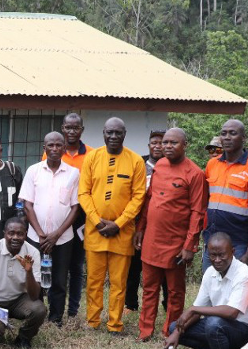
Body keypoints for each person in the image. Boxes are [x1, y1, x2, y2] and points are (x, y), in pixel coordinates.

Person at [133, 128, 207, 342]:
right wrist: (140, 229)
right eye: (165, 142)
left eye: (173, 143)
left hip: (176, 243)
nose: (167, 146)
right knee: (149, 288)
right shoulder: (159, 166)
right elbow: (149, 199)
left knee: (175, 292)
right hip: (152, 239)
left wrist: (189, 246)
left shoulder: (195, 173)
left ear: (185, 145)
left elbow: (198, 212)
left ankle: (171, 330)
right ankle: (145, 331)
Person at [78, 118, 147, 334]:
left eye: (118, 133)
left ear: (124, 134)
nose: (114, 137)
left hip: (122, 232)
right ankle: (93, 321)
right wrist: (97, 221)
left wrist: (118, 223)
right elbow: (83, 193)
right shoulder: (92, 158)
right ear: (103, 133)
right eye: (110, 132)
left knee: (118, 282)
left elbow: (138, 197)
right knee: (94, 281)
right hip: (95, 231)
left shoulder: (136, 161)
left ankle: (115, 324)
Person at [162, 232, 248, 349]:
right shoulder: (210, 272)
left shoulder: (244, 274)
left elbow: (232, 312)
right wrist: (176, 332)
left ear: (232, 252)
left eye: (222, 255)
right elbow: (197, 310)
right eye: (213, 255)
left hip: (245, 333)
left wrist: (193, 309)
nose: (217, 260)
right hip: (220, 328)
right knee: (175, 327)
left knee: (214, 324)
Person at [19, 132, 80, 326]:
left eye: (58, 145)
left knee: (59, 280)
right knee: (36, 277)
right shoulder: (33, 171)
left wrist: (56, 235)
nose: (54, 149)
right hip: (35, 237)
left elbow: (75, 208)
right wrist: (41, 234)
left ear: (64, 148)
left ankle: (55, 319)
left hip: (63, 238)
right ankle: (36, 314)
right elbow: (27, 205)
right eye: (50, 145)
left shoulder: (73, 173)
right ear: (44, 148)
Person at [44, 113, 93, 322]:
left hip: (81, 217)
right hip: (57, 218)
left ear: (82, 130)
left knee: (76, 265)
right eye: (68, 127)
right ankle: (52, 307)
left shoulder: (91, 154)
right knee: (54, 265)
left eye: (76, 128)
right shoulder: (52, 151)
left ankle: (72, 310)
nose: (71, 131)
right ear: (63, 128)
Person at [0, 218, 47, 348]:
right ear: (4, 233)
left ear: (25, 235)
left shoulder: (32, 253)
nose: (15, 237)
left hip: (18, 300)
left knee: (39, 309)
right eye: (11, 233)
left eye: (20, 234)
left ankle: (23, 339)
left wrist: (28, 272)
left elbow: (34, 296)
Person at [204, 119, 248, 271]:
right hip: (212, 242)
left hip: (238, 245)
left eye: (232, 133)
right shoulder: (212, 164)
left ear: (244, 138)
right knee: (210, 285)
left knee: (235, 286)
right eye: (223, 133)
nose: (227, 137)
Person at [125, 130, 166, 311]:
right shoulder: (138, 164)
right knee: (133, 267)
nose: (158, 146)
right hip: (136, 223)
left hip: (161, 226)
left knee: (163, 267)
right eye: (154, 143)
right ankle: (130, 304)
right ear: (149, 145)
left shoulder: (171, 166)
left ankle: (167, 303)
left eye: (161, 143)